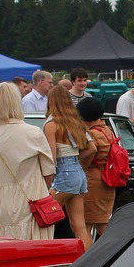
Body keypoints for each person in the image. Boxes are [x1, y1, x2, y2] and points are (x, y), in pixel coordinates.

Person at [0, 82, 56, 242]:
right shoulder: (33, 133)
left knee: (1, 250)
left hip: (0, 204)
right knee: (35, 251)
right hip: (32, 201)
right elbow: (49, 172)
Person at [43, 86, 95, 245]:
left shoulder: (51, 124)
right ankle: (89, 261)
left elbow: (51, 157)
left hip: (62, 174)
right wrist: (76, 158)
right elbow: (92, 148)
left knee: (43, 217)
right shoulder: (75, 121)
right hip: (78, 172)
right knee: (79, 226)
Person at [77, 97, 117, 242]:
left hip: (93, 181)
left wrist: (80, 164)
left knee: (85, 225)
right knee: (103, 222)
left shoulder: (92, 134)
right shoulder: (108, 131)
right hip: (108, 179)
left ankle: (88, 257)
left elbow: (89, 154)